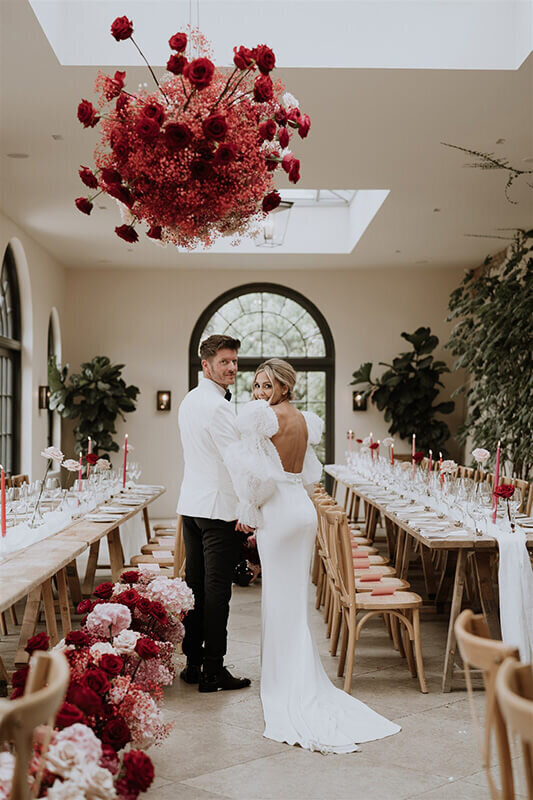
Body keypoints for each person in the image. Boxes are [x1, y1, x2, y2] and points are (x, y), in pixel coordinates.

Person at [226, 358, 401, 752]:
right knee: (292, 602)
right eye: (255, 386)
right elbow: (308, 474)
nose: (258, 393)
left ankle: (286, 684)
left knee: (280, 600)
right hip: (300, 509)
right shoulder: (305, 418)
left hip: (278, 513)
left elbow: (253, 476)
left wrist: (247, 509)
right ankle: (294, 676)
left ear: (284, 386)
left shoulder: (261, 418)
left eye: (266, 385)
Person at [177, 334, 252, 692]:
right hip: (218, 508)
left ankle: (192, 663)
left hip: (191, 506)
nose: (232, 368)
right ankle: (213, 670)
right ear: (205, 365)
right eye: (224, 362)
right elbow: (235, 463)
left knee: (196, 589)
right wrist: (248, 506)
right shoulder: (218, 407)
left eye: (234, 361)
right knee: (217, 590)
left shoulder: (189, 401)